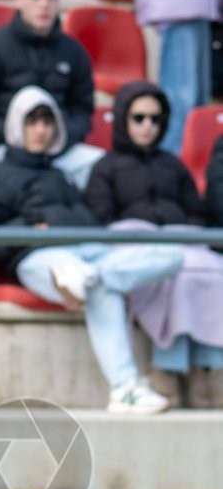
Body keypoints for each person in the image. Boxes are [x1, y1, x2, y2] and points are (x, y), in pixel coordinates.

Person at [0, 85, 184, 414]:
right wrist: (29, 229)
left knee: (171, 256)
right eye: (32, 122)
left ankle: (89, 278)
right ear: (16, 126)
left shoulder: (61, 176)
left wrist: (69, 232)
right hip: (37, 258)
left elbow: (90, 223)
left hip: (88, 253)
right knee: (89, 283)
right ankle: (125, 388)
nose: (41, 130)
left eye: (47, 122)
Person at [85, 81, 223, 408]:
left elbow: (196, 211)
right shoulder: (105, 168)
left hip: (181, 242)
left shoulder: (173, 166)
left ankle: (210, 367)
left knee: (208, 271)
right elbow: (101, 219)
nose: (147, 126)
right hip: (132, 245)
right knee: (170, 274)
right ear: (123, 119)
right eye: (138, 118)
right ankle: (169, 367)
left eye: (155, 119)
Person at [0, 0, 103, 190]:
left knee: (99, 166)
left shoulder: (74, 52)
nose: (44, 4)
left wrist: (58, 138)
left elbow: (82, 110)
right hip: (7, 150)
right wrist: (20, 137)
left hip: (59, 149)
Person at [133, 0, 220, 155]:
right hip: (179, 6)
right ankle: (170, 164)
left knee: (197, 102)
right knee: (181, 99)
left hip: (196, 6)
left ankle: (188, 162)